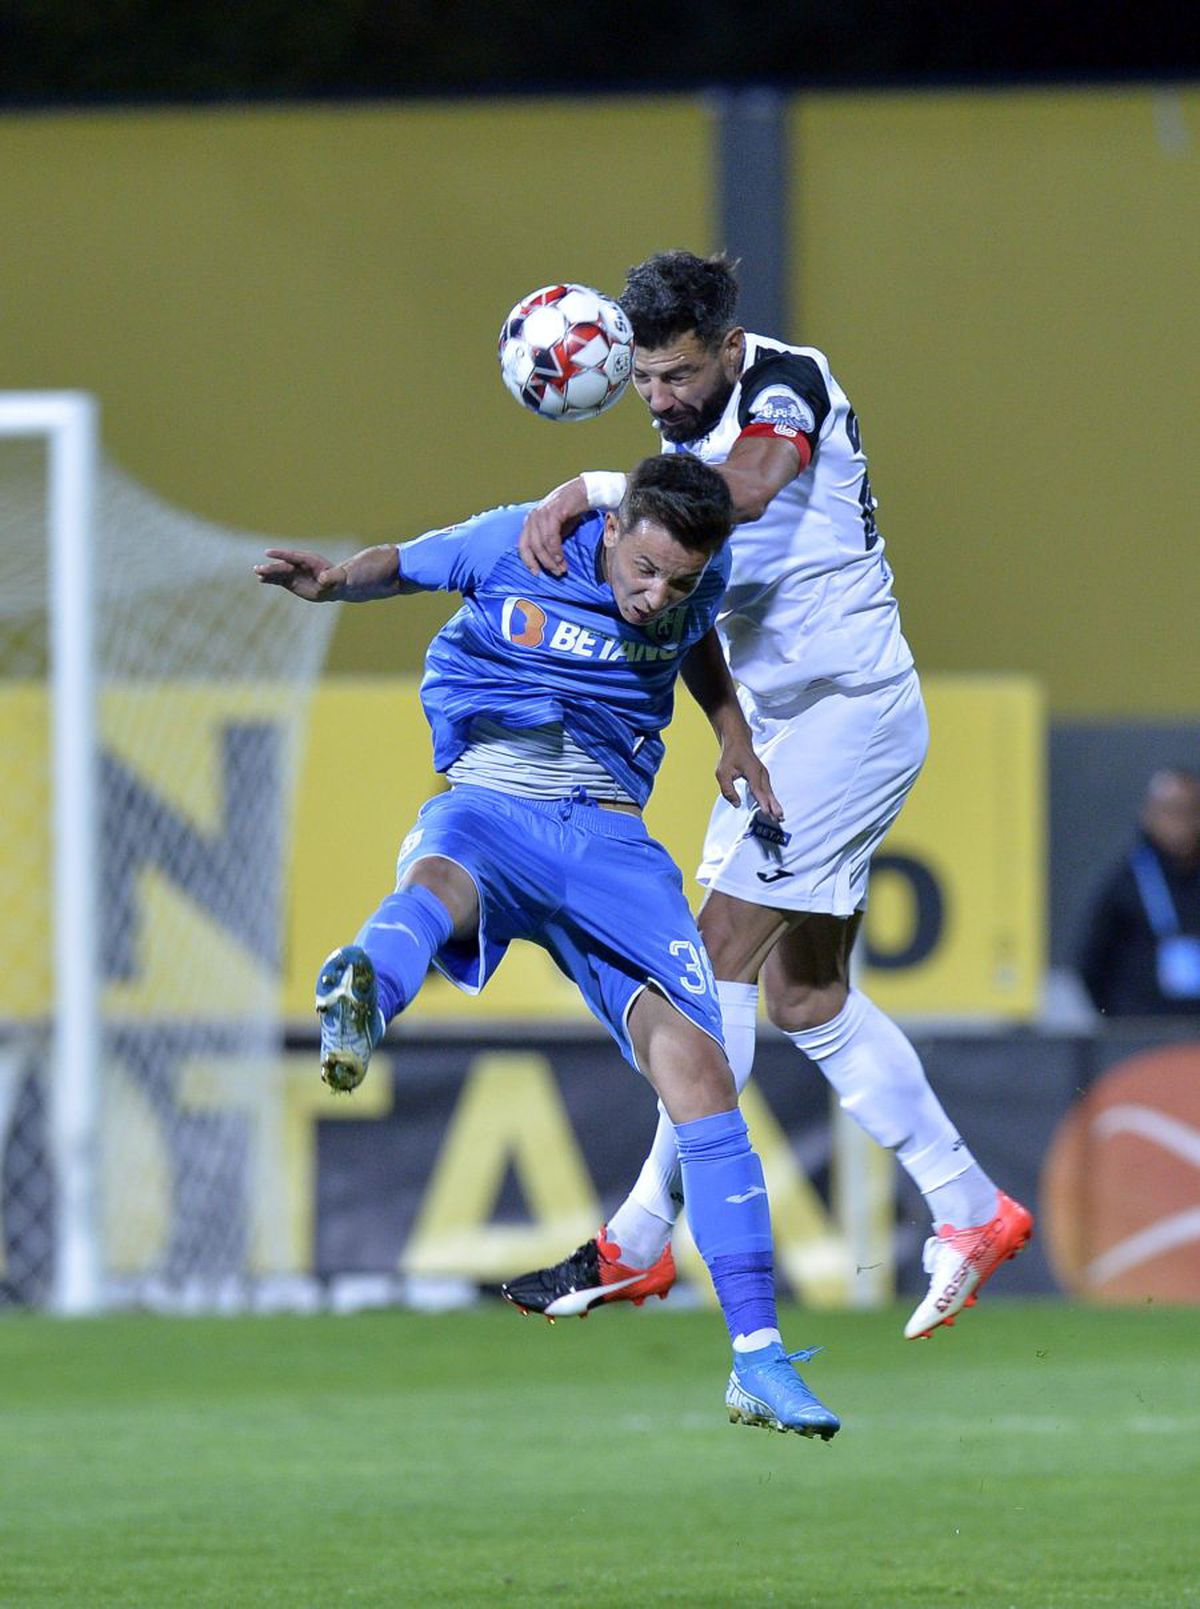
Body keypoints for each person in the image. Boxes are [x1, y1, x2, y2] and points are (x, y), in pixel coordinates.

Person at [502, 250, 1032, 1341]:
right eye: (645, 379)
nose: (662, 398)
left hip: (850, 714)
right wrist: (732, 729)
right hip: (790, 730)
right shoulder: (675, 445)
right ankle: (972, 1207)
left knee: (711, 962)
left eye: (680, 375)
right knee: (805, 997)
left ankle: (636, 1239)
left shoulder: (783, 383)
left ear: (729, 349)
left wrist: (596, 490)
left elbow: (741, 493)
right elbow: (692, 601)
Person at [255, 452, 840, 1440]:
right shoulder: (523, 539)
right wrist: (338, 580)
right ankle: (361, 999)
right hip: (494, 797)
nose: (655, 598)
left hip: (611, 840)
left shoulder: (694, 586)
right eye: (644, 571)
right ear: (611, 531)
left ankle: (758, 1360)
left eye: (679, 582)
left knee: (703, 1074)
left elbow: (697, 637)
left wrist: (731, 730)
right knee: (438, 884)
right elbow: (410, 562)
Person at [1078, 767, 1200, 1017]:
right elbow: (1092, 963)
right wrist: (1118, 1018)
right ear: (1149, 815)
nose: (1180, 823)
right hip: (1142, 1025)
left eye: (1188, 811)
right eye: (1170, 810)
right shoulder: (1127, 881)